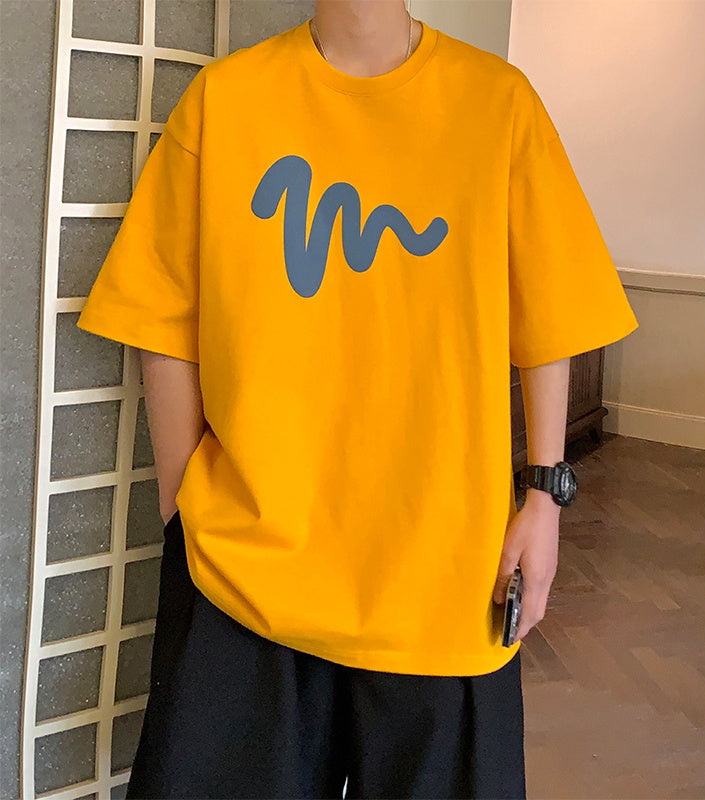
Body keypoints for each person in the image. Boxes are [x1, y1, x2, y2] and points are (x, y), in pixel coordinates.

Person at [76, 1, 639, 797]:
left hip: (443, 575)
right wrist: (182, 502)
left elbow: (552, 317)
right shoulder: (226, 101)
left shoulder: (498, 104)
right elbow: (161, 317)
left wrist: (544, 499)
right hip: (248, 567)